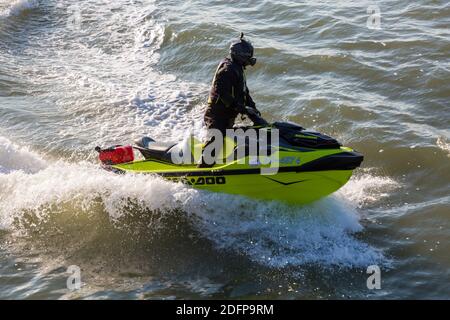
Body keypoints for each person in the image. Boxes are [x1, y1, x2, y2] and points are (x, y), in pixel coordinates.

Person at [198, 33, 261, 167]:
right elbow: (222, 93)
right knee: (216, 142)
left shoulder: (237, 68)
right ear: (241, 56)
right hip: (217, 115)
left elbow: (244, 92)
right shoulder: (227, 70)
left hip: (227, 115)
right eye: (248, 56)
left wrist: (253, 109)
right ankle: (199, 173)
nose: (249, 60)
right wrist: (242, 108)